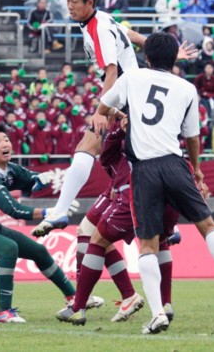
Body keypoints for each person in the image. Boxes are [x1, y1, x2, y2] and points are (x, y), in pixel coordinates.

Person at [97, 32, 214, 334]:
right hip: (175, 162)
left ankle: (158, 314)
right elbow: (192, 137)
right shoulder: (187, 88)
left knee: (148, 244)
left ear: (147, 57)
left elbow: (104, 107)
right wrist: (197, 170)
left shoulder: (133, 78)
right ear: (174, 60)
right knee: (208, 225)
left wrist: (122, 114)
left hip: (144, 169)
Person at [32, 0, 197, 237]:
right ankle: (169, 226)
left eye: (75, 1)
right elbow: (131, 34)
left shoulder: (97, 29)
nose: (70, 6)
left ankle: (61, 210)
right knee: (138, 159)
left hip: (125, 96)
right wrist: (169, 52)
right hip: (131, 96)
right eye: (68, 0)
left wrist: (102, 110)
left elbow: (111, 71)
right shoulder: (103, 18)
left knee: (89, 146)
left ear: (89, 3)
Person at [0, 125, 90, 323]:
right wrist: (51, 212)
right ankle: (3, 312)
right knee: (9, 248)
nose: (5, 144)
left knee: (38, 251)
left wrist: (39, 178)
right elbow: (15, 210)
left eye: (6, 139)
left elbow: (30, 179)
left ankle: (73, 298)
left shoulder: (10, 169)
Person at [57, 119, 181, 326]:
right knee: (158, 240)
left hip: (132, 190)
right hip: (160, 187)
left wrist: (116, 127)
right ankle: (163, 303)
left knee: (95, 237)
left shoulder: (114, 139)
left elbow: (108, 152)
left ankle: (80, 306)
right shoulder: (154, 133)